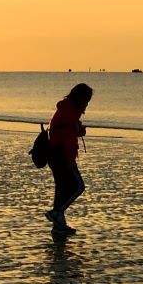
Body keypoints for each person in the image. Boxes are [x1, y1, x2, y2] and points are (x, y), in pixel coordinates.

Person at [45, 82, 92, 237]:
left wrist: (78, 131)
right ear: (80, 98)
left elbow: (65, 132)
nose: (87, 105)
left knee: (62, 189)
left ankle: (58, 226)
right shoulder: (69, 112)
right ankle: (57, 213)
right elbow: (66, 139)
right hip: (61, 156)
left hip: (55, 155)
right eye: (86, 101)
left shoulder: (67, 110)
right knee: (78, 186)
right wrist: (71, 161)